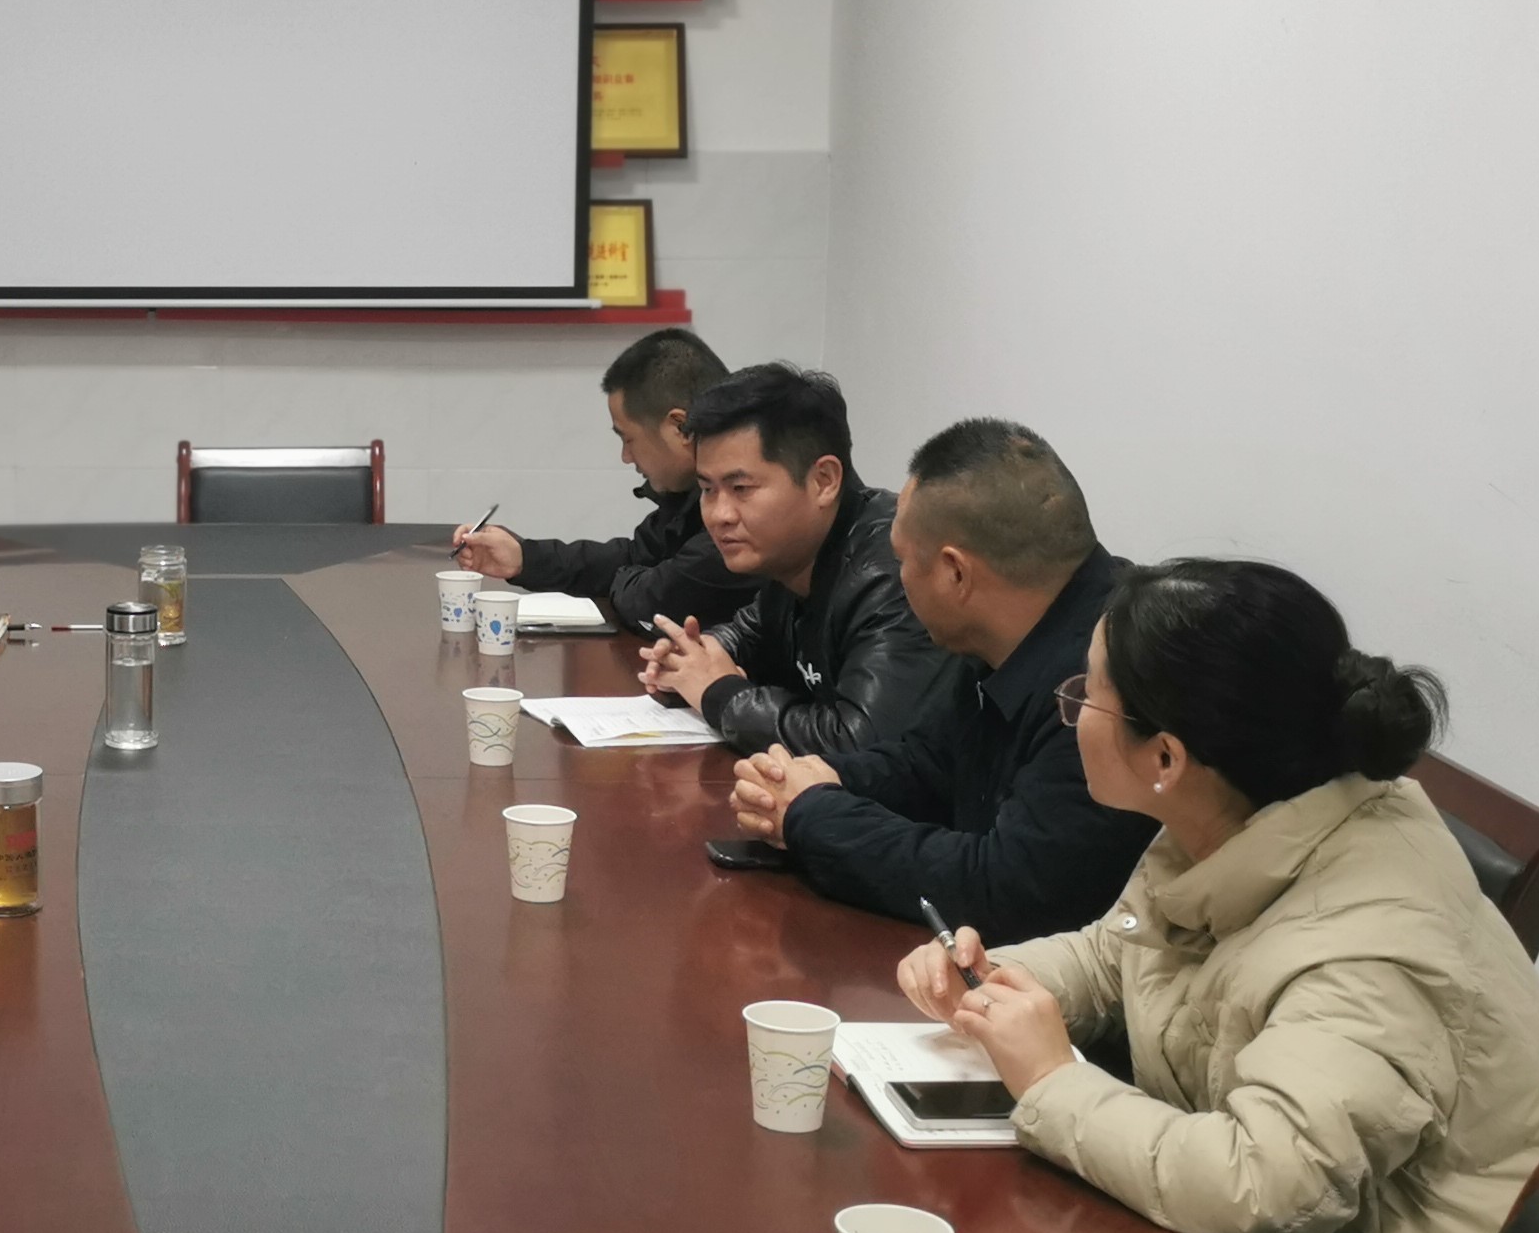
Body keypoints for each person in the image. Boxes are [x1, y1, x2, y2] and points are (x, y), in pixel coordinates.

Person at [895, 560, 1539, 1233]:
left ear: (1165, 755)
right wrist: (992, 979)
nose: (1070, 709)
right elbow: (1123, 950)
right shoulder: (1253, 809)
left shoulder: (1368, 943)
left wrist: (1052, 1079)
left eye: (1085, 694)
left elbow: (1263, 1191)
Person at [728, 418, 1148, 941]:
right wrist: (817, 776)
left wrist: (812, 814)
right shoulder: (1008, 633)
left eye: (901, 560)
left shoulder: (1109, 682)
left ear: (955, 573)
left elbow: (1007, 889)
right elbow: (932, 762)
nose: (897, 578)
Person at [639, 363, 947, 754]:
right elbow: (746, 635)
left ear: (824, 481)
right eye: (708, 490)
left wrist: (718, 694)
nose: (719, 515)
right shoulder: (793, 556)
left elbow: (859, 743)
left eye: (740, 487)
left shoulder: (893, 571)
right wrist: (688, 662)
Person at [446, 327, 761, 634]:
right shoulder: (687, 497)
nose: (626, 457)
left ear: (680, 427)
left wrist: (632, 579)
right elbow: (636, 558)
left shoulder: (741, 518)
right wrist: (525, 558)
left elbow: (653, 601)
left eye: (628, 439)